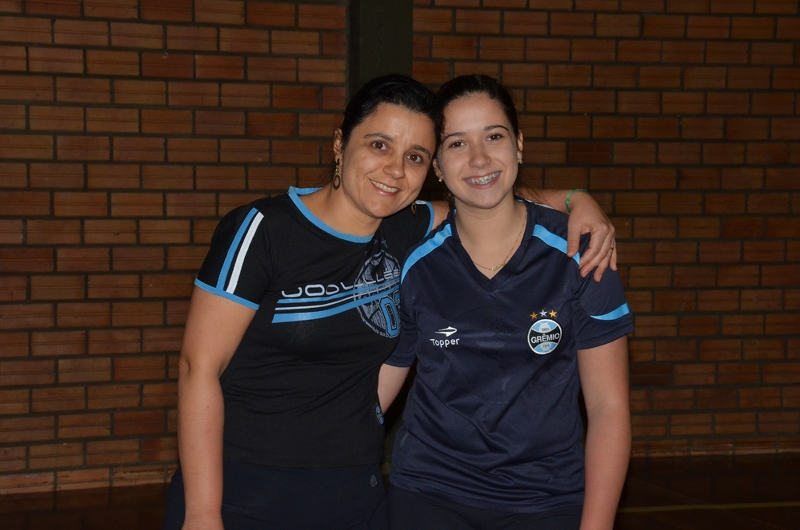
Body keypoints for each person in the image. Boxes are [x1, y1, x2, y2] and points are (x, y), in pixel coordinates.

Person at [162, 74, 617, 530]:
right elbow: (197, 368)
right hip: (244, 488)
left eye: (414, 156)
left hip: (353, 490)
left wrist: (577, 200)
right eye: (379, 145)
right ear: (340, 143)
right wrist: (202, 512)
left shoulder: (403, 230)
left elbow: (486, 195)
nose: (395, 170)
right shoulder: (265, 229)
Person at [380, 75, 634, 530]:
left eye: (494, 136)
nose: (479, 158)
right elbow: (377, 394)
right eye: (457, 143)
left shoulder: (582, 252)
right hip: (429, 491)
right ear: (437, 165)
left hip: (547, 498)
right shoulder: (415, 262)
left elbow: (608, 407)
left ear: (518, 145)